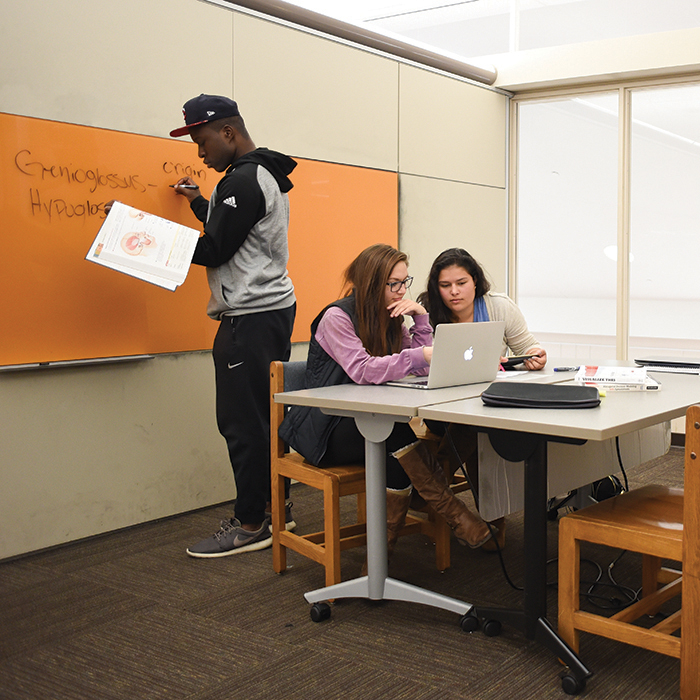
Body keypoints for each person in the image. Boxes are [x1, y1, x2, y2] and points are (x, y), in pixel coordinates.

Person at [279, 244, 492, 564]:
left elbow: (421, 367)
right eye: (393, 283)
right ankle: (454, 516)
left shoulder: (392, 317)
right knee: (394, 433)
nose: (401, 291)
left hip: (369, 423)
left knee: (394, 443)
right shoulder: (337, 317)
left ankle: (378, 560)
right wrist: (418, 354)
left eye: (405, 282)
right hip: (325, 428)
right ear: (370, 282)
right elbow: (363, 370)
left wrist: (421, 320)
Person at [170, 94, 297, 557]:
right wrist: (198, 202)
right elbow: (231, 226)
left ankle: (250, 524)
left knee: (242, 424)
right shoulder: (259, 174)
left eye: (202, 142)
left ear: (227, 132)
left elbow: (214, 249)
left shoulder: (241, 181)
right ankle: (276, 510)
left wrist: (135, 231)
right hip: (269, 311)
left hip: (249, 317)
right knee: (264, 418)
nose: (200, 154)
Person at [417, 247, 547, 550]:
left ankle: (428, 492)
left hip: (491, 402)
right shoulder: (427, 313)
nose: (453, 292)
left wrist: (536, 356)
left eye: (461, 283)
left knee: (483, 434)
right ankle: (486, 521)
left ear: (475, 280)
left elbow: (528, 346)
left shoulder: (498, 307)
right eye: (445, 285)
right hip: (443, 409)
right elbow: (417, 366)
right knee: (479, 436)